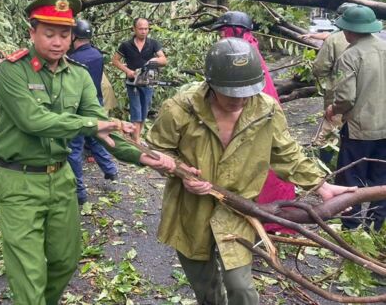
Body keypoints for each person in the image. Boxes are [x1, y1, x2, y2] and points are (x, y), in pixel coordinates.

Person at [0, 0, 176, 305]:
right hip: (19, 182)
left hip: (61, 180)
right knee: (28, 270)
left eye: (64, 35)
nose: (57, 42)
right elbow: (34, 121)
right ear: (32, 32)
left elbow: (101, 125)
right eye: (49, 34)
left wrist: (145, 156)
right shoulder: (13, 71)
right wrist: (94, 126)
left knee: (65, 260)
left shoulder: (77, 75)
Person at [147, 37, 356, 305]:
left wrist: (322, 186)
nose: (240, 99)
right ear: (210, 84)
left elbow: (286, 154)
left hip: (238, 210)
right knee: (205, 289)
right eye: (230, 92)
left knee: (241, 287)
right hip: (190, 210)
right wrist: (181, 171)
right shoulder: (180, 108)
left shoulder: (265, 110)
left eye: (247, 91)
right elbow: (156, 149)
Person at [211, 11, 295, 235]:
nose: (221, 35)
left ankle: (263, 221)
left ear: (234, 30)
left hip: (254, 119)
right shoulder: (246, 47)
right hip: (256, 115)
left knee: (258, 171)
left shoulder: (243, 54)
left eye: (223, 30)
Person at [325, 5, 386, 231]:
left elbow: (346, 98)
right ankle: (377, 226)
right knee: (382, 180)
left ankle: (351, 229)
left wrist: (333, 108)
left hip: (359, 130)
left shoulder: (350, 56)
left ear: (349, 31)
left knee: (351, 180)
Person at [67, 19, 119, 205]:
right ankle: (111, 170)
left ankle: (79, 192)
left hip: (79, 104)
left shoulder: (73, 59)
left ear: (74, 36)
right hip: (95, 101)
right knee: (98, 136)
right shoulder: (97, 54)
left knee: (74, 147)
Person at [311, 3, 356, 162]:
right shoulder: (378, 40)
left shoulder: (334, 39)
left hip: (338, 92)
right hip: (367, 96)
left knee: (331, 128)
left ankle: (325, 166)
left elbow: (319, 69)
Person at [112, 17, 167, 142]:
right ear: (134, 29)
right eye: (141, 29)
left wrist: (155, 60)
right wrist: (128, 71)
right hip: (133, 82)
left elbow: (164, 60)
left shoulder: (153, 43)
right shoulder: (126, 45)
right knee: (136, 109)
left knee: (144, 110)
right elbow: (115, 61)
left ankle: (137, 136)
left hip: (148, 81)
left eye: (146, 29)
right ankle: (136, 141)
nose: (144, 31)